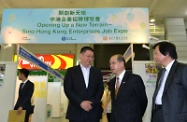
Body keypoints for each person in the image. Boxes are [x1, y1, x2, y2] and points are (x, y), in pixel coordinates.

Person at [64, 46, 104, 122]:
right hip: (76, 112)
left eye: (92, 57)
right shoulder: (71, 71)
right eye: (88, 56)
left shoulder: (97, 72)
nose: (90, 59)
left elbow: (100, 89)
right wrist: (81, 102)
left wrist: (91, 103)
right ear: (81, 56)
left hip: (93, 112)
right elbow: (68, 89)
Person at [151, 41, 187, 122]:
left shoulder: (183, 69)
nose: (154, 56)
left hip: (174, 116)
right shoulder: (161, 72)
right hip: (158, 113)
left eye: (156, 53)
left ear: (166, 53)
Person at [109, 54, 147, 122]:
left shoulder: (134, 79)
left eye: (113, 63)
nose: (111, 66)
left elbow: (143, 100)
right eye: (110, 64)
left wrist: (136, 116)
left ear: (122, 64)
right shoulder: (112, 82)